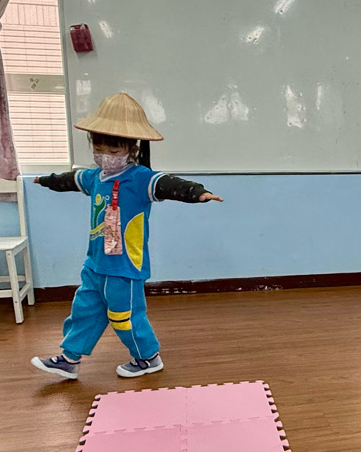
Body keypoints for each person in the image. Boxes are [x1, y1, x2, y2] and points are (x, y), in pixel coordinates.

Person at [30, 93, 222, 380]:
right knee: (84, 310)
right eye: (99, 147)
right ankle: (69, 359)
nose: (105, 154)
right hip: (95, 263)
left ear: (132, 148)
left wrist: (197, 192)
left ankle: (148, 357)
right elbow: (69, 180)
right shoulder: (95, 177)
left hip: (124, 267)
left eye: (114, 149)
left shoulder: (140, 178)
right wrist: (45, 180)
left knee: (124, 316)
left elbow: (168, 184)